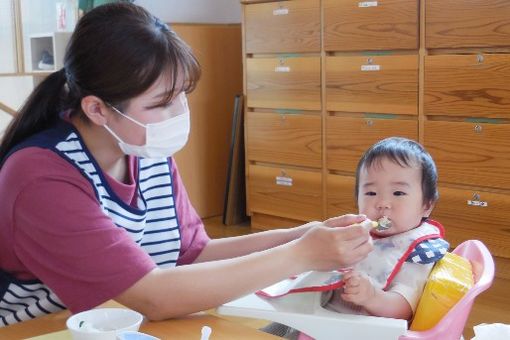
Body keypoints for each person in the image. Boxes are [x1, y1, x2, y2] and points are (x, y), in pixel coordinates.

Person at [0, 3, 373, 327]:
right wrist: (302, 253)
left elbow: (192, 253)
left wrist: (305, 234)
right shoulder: (40, 176)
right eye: (162, 103)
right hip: (42, 329)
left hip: (119, 322)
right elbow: (153, 297)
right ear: (97, 109)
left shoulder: (144, 148)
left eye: (181, 96)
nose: (178, 113)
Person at [263, 137, 449, 339]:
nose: (383, 203)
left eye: (398, 192)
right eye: (370, 192)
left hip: (356, 330)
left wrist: (372, 297)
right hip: (317, 313)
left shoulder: (417, 252)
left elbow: (403, 308)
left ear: (426, 205)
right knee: (272, 327)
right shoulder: (359, 231)